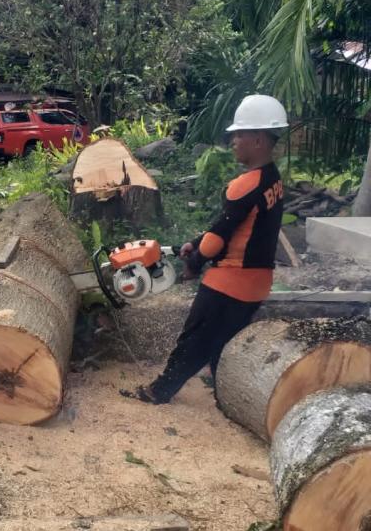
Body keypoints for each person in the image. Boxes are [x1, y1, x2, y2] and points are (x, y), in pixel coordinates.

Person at [121, 94, 288, 405]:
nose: (233, 140)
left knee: (195, 339)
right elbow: (228, 224)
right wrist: (195, 243)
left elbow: (219, 238)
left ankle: (159, 391)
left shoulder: (245, 185)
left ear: (259, 139)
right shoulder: (273, 179)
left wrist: (195, 261)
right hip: (257, 281)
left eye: (239, 134)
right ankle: (226, 394)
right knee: (222, 341)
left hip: (232, 281)